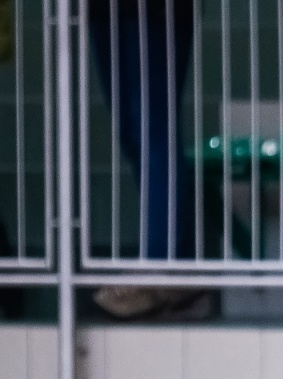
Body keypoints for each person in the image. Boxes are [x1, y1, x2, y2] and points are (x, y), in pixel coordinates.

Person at [84, 0, 216, 322]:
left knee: (152, 128)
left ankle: (160, 265)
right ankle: (180, 271)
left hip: (155, 10)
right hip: (105, 10)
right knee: (133, 130)